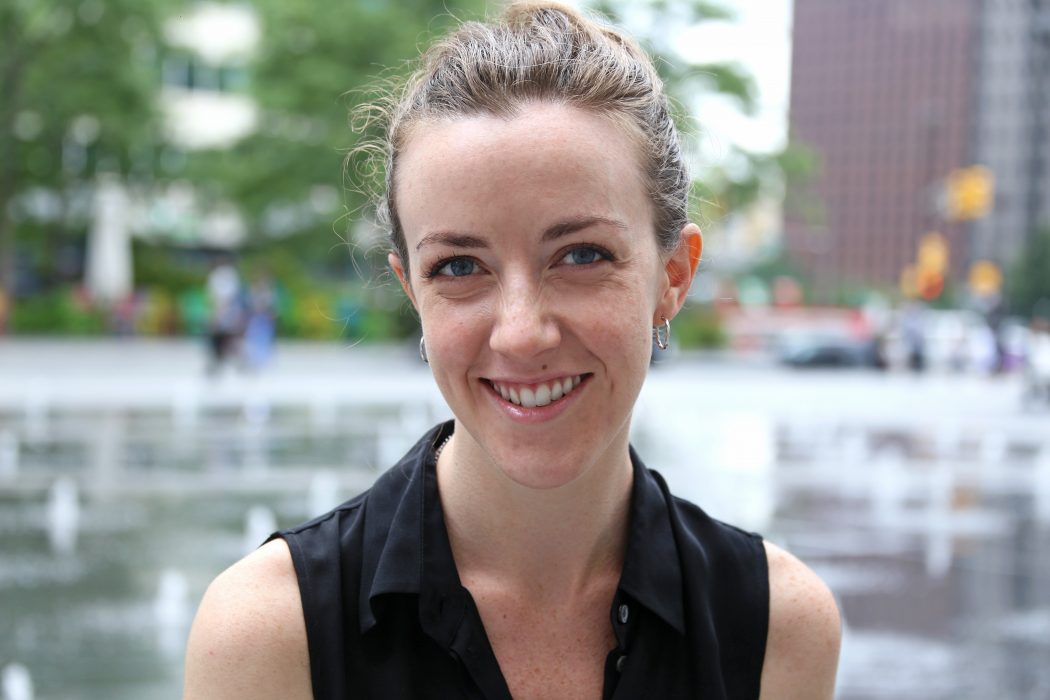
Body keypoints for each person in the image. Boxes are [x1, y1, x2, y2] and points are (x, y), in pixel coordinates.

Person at [183, 3, 841, 698]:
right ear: (412, 290)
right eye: (460, 267)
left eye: (581, 255)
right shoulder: (271, 631)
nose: (522, 333)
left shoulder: (776, 627)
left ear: (673, 274)